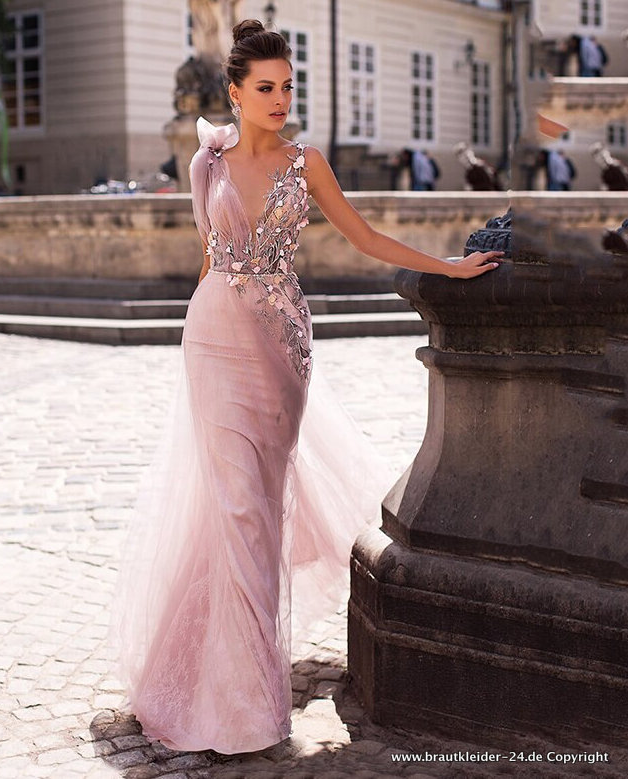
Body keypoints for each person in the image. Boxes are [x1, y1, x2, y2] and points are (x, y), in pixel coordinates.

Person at [111, 19, 502, 756]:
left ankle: (225, 679)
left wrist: (446, 268)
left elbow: (364, 237)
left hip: (280, 348)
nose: (280, 98)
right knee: (233, 510)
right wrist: (192, 340)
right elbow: (208, 260)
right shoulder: (207, 164)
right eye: (265, 88)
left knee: (257, 509)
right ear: (234, 92)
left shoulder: (306, 162)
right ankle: (241, 707)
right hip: (215, 340)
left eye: (288, 86)